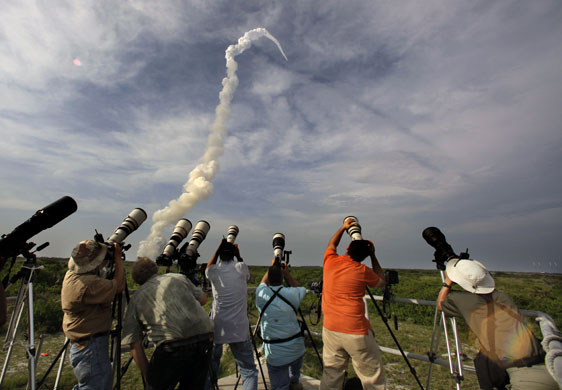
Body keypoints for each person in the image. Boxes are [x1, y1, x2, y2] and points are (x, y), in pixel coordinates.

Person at [437, 258, 559, 390]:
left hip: (523, 377)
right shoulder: (503, 297)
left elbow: (440, 304)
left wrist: (448, 281)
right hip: (550, 367)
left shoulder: (461, 300)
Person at [122, 257, 214, 390]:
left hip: (172, 346)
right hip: (205, 337)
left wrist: (150, 378)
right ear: (155, 269)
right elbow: (203, 300)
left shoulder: (136, 299)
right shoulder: (177, 277)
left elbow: (133, 342)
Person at [320, 219, 386, 390]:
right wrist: (372, 255)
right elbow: (381, 281)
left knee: (331, 375)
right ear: (364, 257)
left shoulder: (330, 262)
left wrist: (343, 227)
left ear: (348, 249)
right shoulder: (363, 271)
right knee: (372, 378)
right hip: (356, 331)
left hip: (330, 328)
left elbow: (332, 244)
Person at [61, 240, 125, 390]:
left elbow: (90, 266)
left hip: (82, 345)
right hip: (92, 347)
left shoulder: (71, 275)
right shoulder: (89, 285)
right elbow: (119, 285)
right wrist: (117, 258)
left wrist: (101, 253)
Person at [205, 239, 258, 390]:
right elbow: (245, 270)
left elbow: (208, 267)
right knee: (248, 370)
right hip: (239, 328)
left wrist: (218, 249)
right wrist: (238, 254)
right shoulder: (240, 267)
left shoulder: (213, 271)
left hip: (218, 326)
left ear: (219, 255)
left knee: (211, 365)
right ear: (233, 254)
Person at [256, 259, 307, 390]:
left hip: (275, 354)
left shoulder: (261, 294)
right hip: (296, 348)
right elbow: (301, 288)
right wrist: (287, 274)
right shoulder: (293, 294)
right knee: (294, 374)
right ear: (282, 277)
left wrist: (272, 266)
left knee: (279, 386)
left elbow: (262, 282)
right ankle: (294, 382)